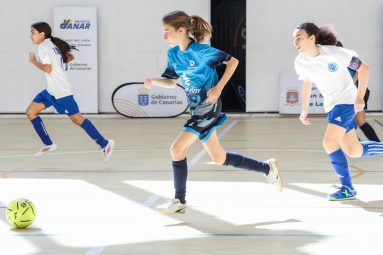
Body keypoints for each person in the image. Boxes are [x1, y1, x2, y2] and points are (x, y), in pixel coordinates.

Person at [144, 10, 283, 214]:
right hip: (196, 110)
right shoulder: (173, 53)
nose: (164, 36)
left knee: (176, 150)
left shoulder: (202, 51)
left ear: (181, 30)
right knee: (219, 158)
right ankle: (267, 169)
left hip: (208, 108)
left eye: (167, 31)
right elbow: (172, 82)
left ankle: (179, 200)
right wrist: (154, 81)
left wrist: (218, 88)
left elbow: (233, 62)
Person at [293, 23, 383, 201]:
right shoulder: (300, 61)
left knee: (329, 142)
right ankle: (348, 187)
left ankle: (348, 188)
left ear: (312, 38)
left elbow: (364, 69)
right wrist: (304, 109)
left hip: (346, 102)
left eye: (299, 37)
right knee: (353, 150)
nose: (296, 42)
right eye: (294, 38)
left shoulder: (336, 53)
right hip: (332, 106)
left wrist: (360, 96)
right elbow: (306, 82)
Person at [27, 22, 114, 161]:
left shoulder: (44, 46)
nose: (30, 35)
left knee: (77, 119)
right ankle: (48, 144)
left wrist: (33, 62)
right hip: (51, 90)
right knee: (31, 112)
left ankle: (105, 144)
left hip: (60, 91)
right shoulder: (52, 43)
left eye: (33, 32)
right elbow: (69, 58)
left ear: (42, 34)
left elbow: (48, 68)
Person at [336, 41, 380, 142]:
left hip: (358, 92)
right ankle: (359, 144)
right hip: (348, 94)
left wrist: (351, 83)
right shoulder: (334, 63)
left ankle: (377, 146)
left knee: (359, 121)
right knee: (345, 122)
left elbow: (361, 70)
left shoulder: (348, 58)